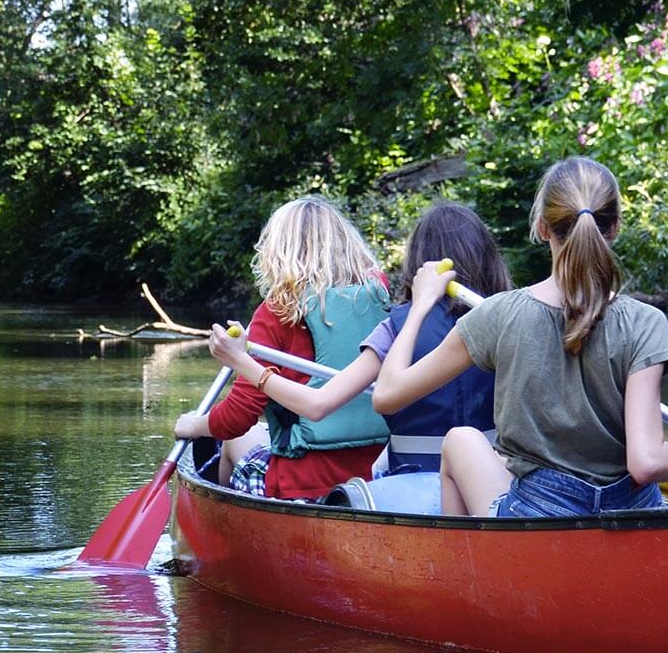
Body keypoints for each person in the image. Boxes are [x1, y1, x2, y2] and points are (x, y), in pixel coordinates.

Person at [372, 157, 668, 516]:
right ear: (615, 227)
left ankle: (462, 572)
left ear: (541, 228)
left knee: (460, 439)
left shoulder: (499, 314)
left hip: (538, 511)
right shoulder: (645, 322)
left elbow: (387, 397)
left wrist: (420, 305)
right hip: (629, 511)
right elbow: (646, 463)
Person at [203, 202, 512, 475]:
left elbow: (319, 405)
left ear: (418, 264)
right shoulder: (512, 322)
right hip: (490, 476)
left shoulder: (395, 326)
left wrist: (240, 361)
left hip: (409, 479)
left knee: (236, 444)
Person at [172, 196, 389, 501]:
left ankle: (222, 524)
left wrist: (197, 424)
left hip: (301, 485)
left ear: (278, 252)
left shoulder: (277, 312)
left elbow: (237, 417)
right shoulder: (381, 300)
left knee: (233, 441)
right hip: (376, 481)